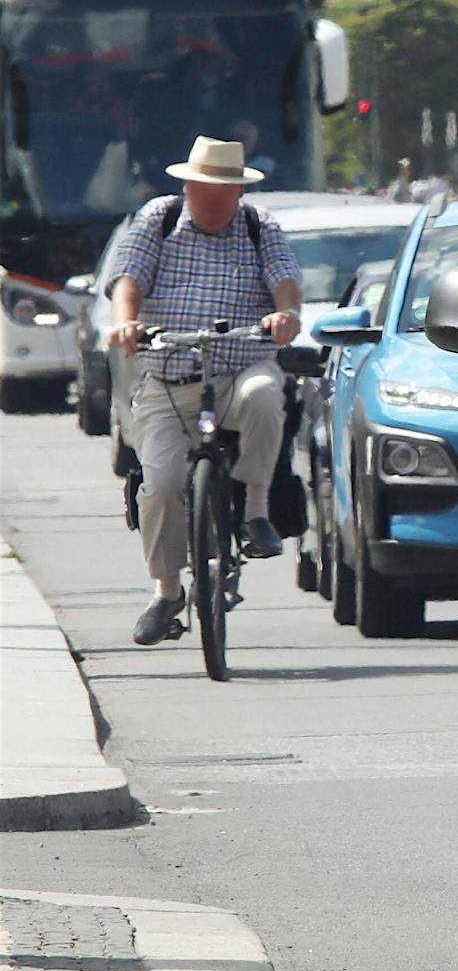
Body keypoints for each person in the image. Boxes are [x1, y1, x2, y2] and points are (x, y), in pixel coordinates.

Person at [105, 136, 304, 647]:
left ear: (239, 192)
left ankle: (257, 512)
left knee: (266, 392)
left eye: (224, 193)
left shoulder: (261, 227)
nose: (213, 201)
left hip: (238, 368)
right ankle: (167, 591)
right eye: (204, 191)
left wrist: (285, 315)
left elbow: (285, 279)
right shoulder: (159, 218)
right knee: (162, 482)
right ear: (188, 186)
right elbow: (128, 277)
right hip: (169, 376)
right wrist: (125, 324)